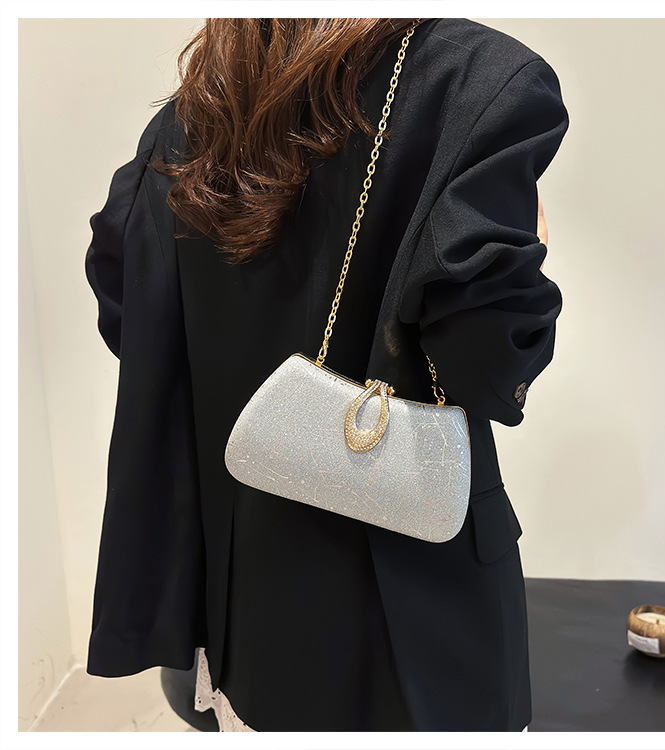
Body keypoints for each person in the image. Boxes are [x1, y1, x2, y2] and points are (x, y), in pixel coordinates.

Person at [84, 17, 569, 732]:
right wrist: (531, 250)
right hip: (422, 615)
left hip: (241, 593)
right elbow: (487, 364)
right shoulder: (478, 80)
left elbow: (132, 316)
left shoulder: (195, 113)